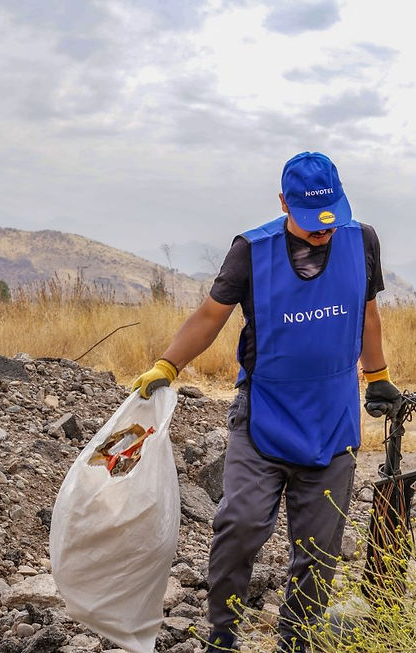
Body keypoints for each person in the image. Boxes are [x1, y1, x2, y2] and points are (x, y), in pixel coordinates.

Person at [133, 151, 400, 652]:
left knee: (320, 549)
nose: (323, 231)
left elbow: (367, 314)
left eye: (330, 220)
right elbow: (211, 315)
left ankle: (295, 642)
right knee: (240, 523)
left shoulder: (362, 241)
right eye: (311, 221)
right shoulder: (251, 251)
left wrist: (378, 376)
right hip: (265, 416)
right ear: (284, 203)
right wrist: (168, 365)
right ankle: (222, 636)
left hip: (333, 419)